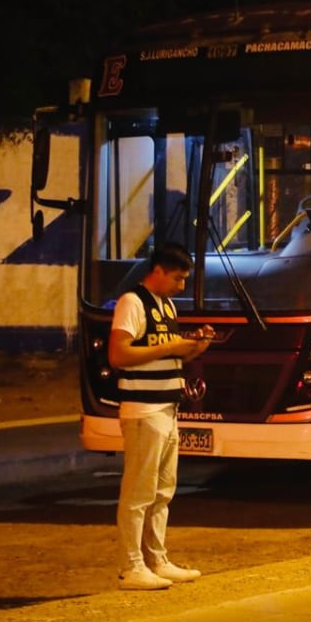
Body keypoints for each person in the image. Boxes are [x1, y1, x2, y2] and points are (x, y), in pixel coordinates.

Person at [108, 242, 214, 591]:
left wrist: (194, 346)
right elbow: (119, 354)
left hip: (168, 410)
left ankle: (157, 559)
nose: (181, 286)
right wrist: (172, 346)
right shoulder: (132, 303)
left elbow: (162, 353)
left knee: (162, 491)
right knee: (138, 493)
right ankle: (131, 566)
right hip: (144, 411)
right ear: (158, 271)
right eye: (178, 278)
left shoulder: (165, 306)